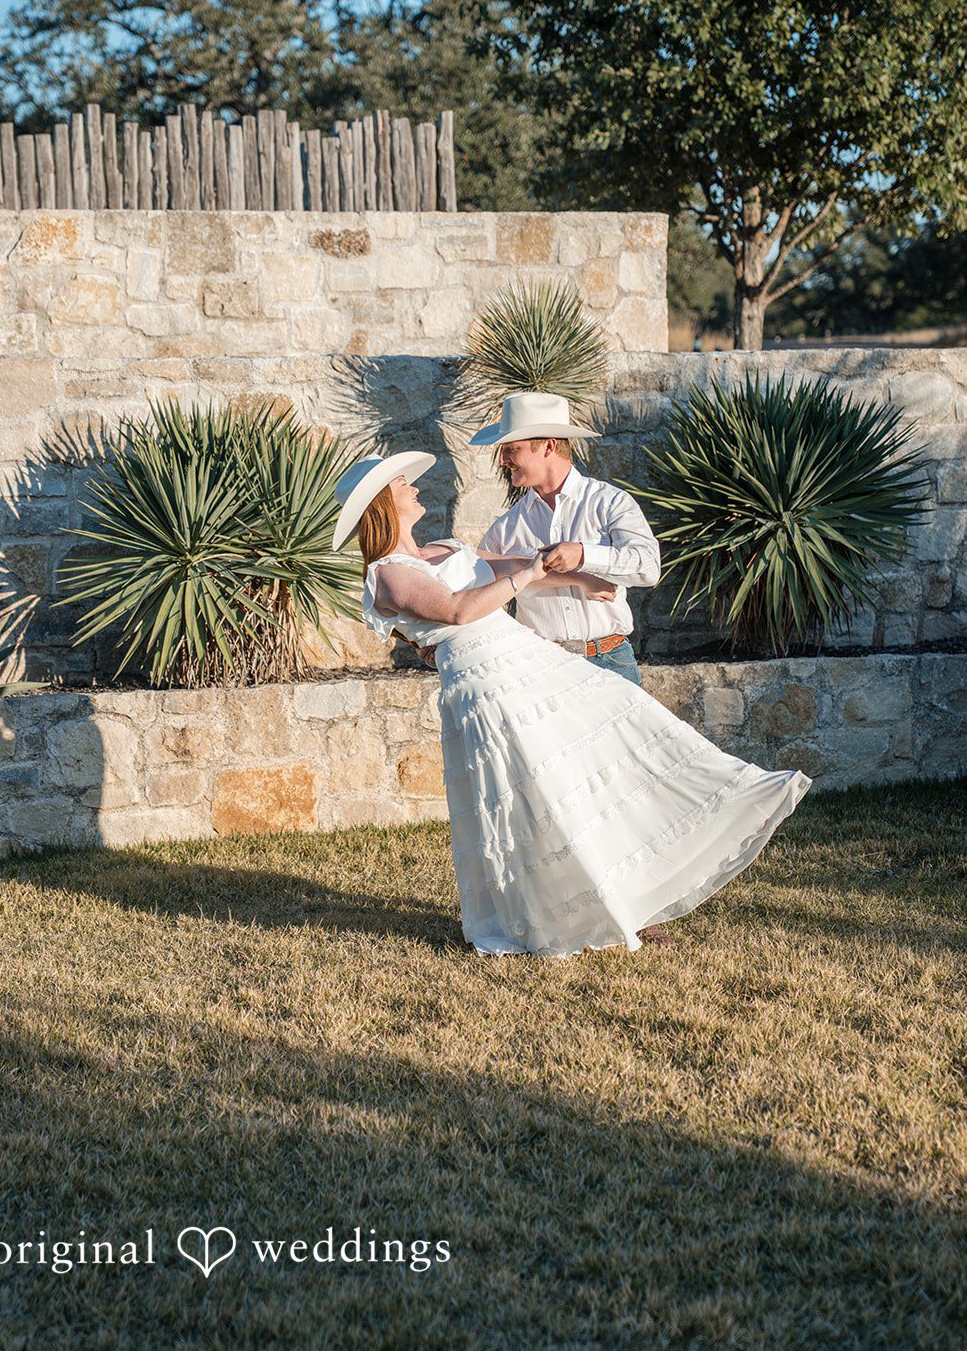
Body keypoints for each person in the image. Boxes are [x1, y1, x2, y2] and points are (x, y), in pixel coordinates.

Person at [331, 449, 811, 960]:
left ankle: (714, 801)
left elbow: (505, 566)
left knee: (609, 733)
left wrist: (577, 577)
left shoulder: (444, 547)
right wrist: (531, 572)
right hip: (486, 687)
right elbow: (457, 608)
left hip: (527, 661)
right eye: (404, 485)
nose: (414, 489)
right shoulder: (388, 573)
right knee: (537, 797)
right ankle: (552, 915)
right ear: (384, 504)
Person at [468, 390, 659, 686]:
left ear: (548, 446)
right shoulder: (505, 528)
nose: (503, 460)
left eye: (512, 449)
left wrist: (584, 555)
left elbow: (648, 567)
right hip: (540, 667)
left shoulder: (610, 503)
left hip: (612, 664)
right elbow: (480, 588)